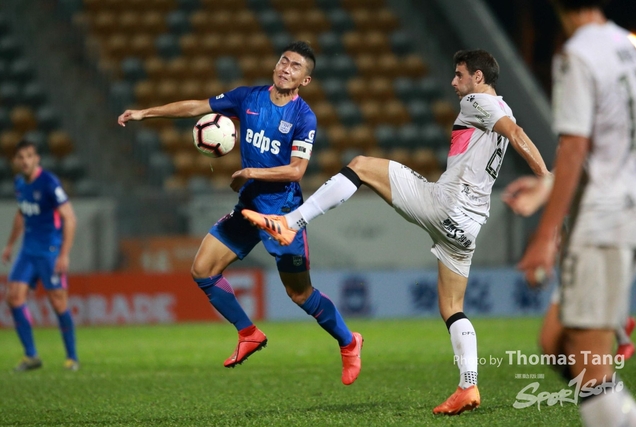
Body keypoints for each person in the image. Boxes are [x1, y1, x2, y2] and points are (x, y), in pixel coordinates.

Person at [242, 49, 551, 415]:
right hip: (469, 226)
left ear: (478, 78)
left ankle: (290, 222)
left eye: (460, 74)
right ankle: (468, 385)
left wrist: (547, 180)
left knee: (361, 165)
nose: (454, 82)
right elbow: (512, 129)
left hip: (445, 203)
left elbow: (515, 133)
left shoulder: (477, 101)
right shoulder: (503, 108)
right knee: (452, 307)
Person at [117, 41, 363, 385]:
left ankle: (349, 342)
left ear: (305, 80)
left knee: (299, 294)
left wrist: (250, 172)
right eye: (283, 61)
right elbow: (197, 106)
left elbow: (296, 171)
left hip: (282, 217)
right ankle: (248, 332)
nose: (286, 68)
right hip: (248, 209)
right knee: (203, 270)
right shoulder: (248, 97)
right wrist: (146, 113)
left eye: (295, 66)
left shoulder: (303, 117)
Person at [516, 0, 636, 425]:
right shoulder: (627, 46)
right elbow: (612, 142)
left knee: (587, 364)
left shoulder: (577, 54)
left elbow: (574, 147)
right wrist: (547, 185)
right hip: (627, 211)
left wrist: (545, 235)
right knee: (555, 342)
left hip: (603, 220)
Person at [502, 174, 636, 361]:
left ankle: (623, 338)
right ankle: (621, 326)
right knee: (552, 344)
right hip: (588, 234)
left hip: (608, 229)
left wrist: (544, 190)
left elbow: (577, 162)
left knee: (572, 342)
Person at [2, 140, 78, 371]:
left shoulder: (49, 183)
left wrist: (64, 254)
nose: (25, 161)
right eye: (20, 157)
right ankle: (31, 356)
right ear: (15, 161)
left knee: (58, 302)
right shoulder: (19, 183)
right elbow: (22, 213)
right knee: (13, 297)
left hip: (50, 251)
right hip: (28, 250)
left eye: (29, 156)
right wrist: (10, 244)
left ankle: (72, 357)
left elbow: (69, 218)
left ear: (37, 159)